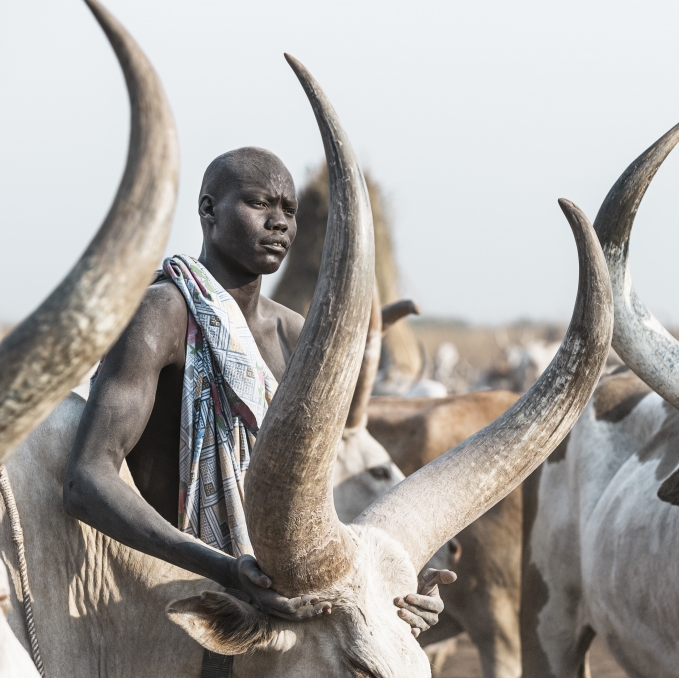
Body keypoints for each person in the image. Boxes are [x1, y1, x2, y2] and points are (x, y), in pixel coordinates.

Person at [64, 147, 450, 632]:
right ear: (209, 210)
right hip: (174, 600)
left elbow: (312, 498)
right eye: (259, 203)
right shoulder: (161, 314)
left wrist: (395, 585)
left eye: (289, 209)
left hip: (281, 593)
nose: (279, 222)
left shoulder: (295, 334)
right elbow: (86, 480)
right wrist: (227, 571)